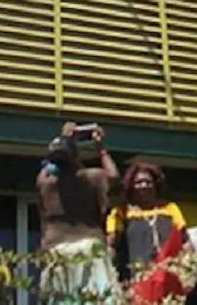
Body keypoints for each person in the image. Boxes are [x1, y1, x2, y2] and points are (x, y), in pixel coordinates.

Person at [36, 122, 121, 304]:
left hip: (56, 250)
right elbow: (113, 175)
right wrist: (101, 149)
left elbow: (45, 171)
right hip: (89, 248)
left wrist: (64, 139)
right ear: (76, 157)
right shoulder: (91, 177)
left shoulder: (47, 184)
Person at [106, 162, 186, 282]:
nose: (144, 185)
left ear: (156, 184)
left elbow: (184, 241)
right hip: (134, 278)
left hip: (168, 276)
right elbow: (111, 244)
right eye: (138, 182)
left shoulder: (170, 208)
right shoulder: (121, 212)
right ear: (131, 186)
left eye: (148, 182)